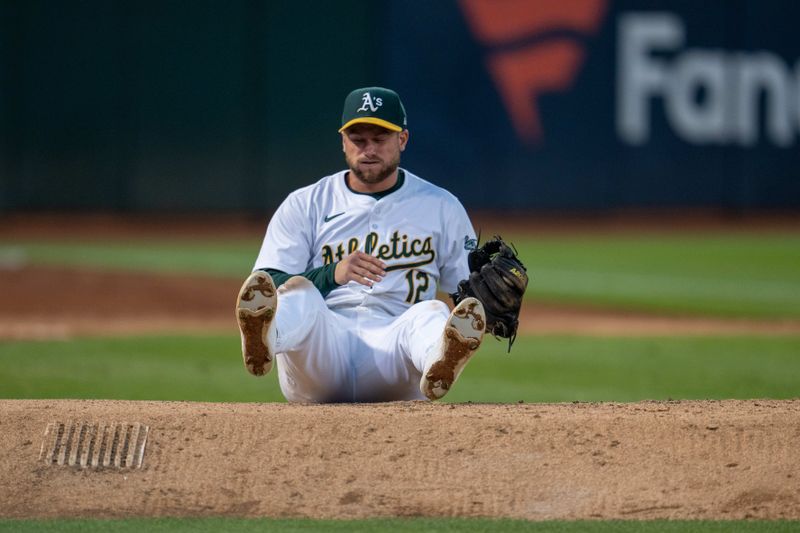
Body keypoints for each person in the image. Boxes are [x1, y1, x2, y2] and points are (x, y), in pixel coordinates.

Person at [235, 86, 485, 403]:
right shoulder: (306, 203)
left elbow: (469, 295)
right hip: (323, 352)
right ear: (343, 142)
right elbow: (267, 282)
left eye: (379, 139)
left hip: (394, 354)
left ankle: (439, 360)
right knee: (301, 294)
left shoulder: (441, 206)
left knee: (431, 311)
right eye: (358, 140)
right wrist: (332, 273)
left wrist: (493, 308)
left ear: (403, 140)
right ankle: (266, 340)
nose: (368, 149)